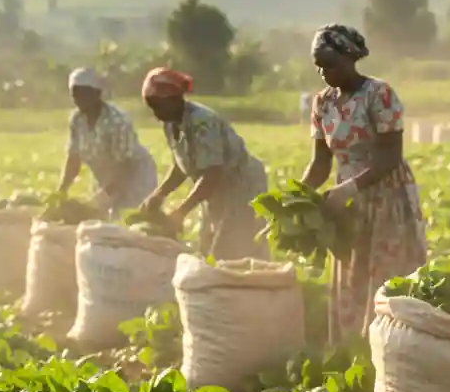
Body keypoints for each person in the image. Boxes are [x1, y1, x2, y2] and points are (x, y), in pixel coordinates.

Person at [300, 25, 427, 344]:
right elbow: (320, 162)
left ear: (350, 57)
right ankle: (353, 353)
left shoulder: (378, 94)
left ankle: (394, 348)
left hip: (385, 194)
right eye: (318, 64)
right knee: (351, 279)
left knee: (387, 280)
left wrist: (349, 188)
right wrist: (297, 197)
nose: (323, 71)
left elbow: (390, 156)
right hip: (348, 204)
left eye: (329, 62)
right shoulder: (323, 103)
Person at [137, 68, 269, 260]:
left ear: (174, 99)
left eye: (159, 106)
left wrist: (181, 211)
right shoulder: (171, 123)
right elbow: (181, 166)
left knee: (234, 249)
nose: (156, 114)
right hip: (215, 189)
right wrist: (159, 194)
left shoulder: (202, 121)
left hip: (240, 185)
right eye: (152, 107)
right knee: (207, 246)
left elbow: (212, 173)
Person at [57, 67, 158, 217]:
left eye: (83, 94)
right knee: (101, 224)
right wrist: (61, 191)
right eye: (75, 95)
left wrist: (103, 197)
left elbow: (126, 166)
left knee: (128, 222)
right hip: (105, 178)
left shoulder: (117, 120)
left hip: (135, 179)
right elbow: (74, 158)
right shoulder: (77, 119)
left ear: (97, 93)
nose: (78, 100)